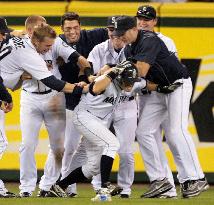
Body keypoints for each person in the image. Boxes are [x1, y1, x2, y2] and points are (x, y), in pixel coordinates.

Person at [112, 15, 209, 198]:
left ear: (134, 29)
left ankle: (197, 178)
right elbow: (129, 82)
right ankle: (160, 180)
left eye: (122, 33)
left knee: (176, 130)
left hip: (177, 85)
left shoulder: (149, 39)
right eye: (117, 33)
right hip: (158, 90)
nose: (120, 37)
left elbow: (139, 72)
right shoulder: (127, 49)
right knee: (143, 132)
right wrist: (120, 71)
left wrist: (115, 71)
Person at [0, 24, 89, 196]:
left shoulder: (21, 39)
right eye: (47, 46)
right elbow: (53, 82)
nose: (49, 49)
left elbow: (75, 57)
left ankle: (47, 186)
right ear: (35, 39)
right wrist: (83, 89)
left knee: (58, 146)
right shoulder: (29, 54)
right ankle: (26, 188)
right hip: (28, 96)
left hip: (50, 98)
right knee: (23, 144)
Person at [49, 61, 143, 202]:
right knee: (112, 144)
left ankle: (59, 186)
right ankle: (104, 187)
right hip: (84, 117)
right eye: (128, 81)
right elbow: (95, 88)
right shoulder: (106, 81)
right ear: (118, 77)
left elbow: (144, 83)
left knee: (93, 167)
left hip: (97, 122)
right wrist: (112, 71)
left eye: (132, 81)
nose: (130, 85)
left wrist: (161, 86)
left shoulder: (123, 82)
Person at [58, 12, 108, 197]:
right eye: (68, 28)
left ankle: (99, 185)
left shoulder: (92, 36)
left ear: (81, 26)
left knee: (98, 145)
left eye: (76, 27)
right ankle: (67, 186)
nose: (72, 31)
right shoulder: (57, 43)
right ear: (62, 29)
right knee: (69, 146)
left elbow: (113, 30)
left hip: (94, 102)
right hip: (72, 100)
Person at [88, 16, 137, 198]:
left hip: (127, 103)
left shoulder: (133, 49)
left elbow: (138, 80)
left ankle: (125, 188)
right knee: (98, 145)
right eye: (111, 31)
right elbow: (89, 75)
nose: (115, 36)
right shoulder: (99, 49)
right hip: (104, 104)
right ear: (108, 31)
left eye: (117, 32)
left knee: (125, 150)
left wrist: (109, 72)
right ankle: (99, 186)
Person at [135, 5, 178, 198]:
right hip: (144, 97)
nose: (143, 22)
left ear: (155, 21)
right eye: (140, 18)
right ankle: (166, 186)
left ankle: (182, 181)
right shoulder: (135, 41)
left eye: (147, 19)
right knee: (151, 140)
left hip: (165, 95)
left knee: (172, 138)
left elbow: (173, 70)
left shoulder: (165, 40)